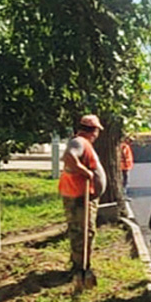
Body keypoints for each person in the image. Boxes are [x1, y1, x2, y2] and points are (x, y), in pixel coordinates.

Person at [59, 115, 107, 275]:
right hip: (79, 196)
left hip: (80, 194)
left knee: (82, 231)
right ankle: (81, 268)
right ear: (94, 131)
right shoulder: (79, 142)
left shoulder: (83, 143)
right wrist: (85, 172)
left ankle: (81, 264)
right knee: (83, 231)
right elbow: (68, 157)